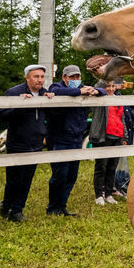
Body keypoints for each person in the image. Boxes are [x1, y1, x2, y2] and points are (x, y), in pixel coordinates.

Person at [0, 65, 55, 222]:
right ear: (27, 77)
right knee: (14, 179)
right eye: (36, 77)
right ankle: (6, 205)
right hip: (17, 143)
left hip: (36, 143)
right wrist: (20, 106)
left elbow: (50, 116)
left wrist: (50, 102)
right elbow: (2, 116)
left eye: (42, 77)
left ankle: (17, 210)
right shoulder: (14, 92)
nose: (40, 80)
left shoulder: (45, 94)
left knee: (27, 179)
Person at [46, 65, 105, 216]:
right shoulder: (56, 86)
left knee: (72, 175)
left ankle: (62, 206)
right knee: (60, 174)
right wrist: (79, 91)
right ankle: (53, 207)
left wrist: (96, 91)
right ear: (64, 78)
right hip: (59, 138)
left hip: (76, 137)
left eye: (77, 77)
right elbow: (56, 92)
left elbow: (104, 91)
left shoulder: (84, 87)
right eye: (71, 77)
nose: (75, 80)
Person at [89, 80, 129, 205]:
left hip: (117, 136)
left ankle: (108, 194)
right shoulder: (98, 99)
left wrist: (124, 136)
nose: (111, 89)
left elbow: (121, 118)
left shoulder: (118, 99)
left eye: (112, 86)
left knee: (112, 167)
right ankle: (98, 195)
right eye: (107, 86)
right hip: (103, 136)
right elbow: (96, 90)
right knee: (101, 167)